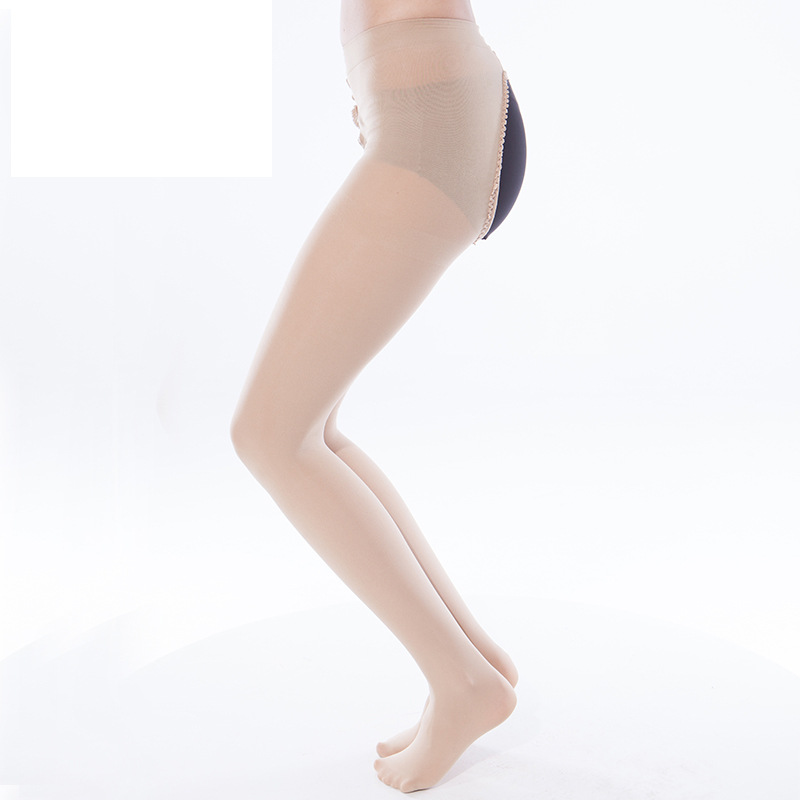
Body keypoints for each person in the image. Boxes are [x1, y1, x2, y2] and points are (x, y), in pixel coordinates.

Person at [230, 0, 526, 792]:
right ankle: (473, 664)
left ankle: (463, 682)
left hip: (433, 119)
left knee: (271, 436)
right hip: (424, 104)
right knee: (308, 434)